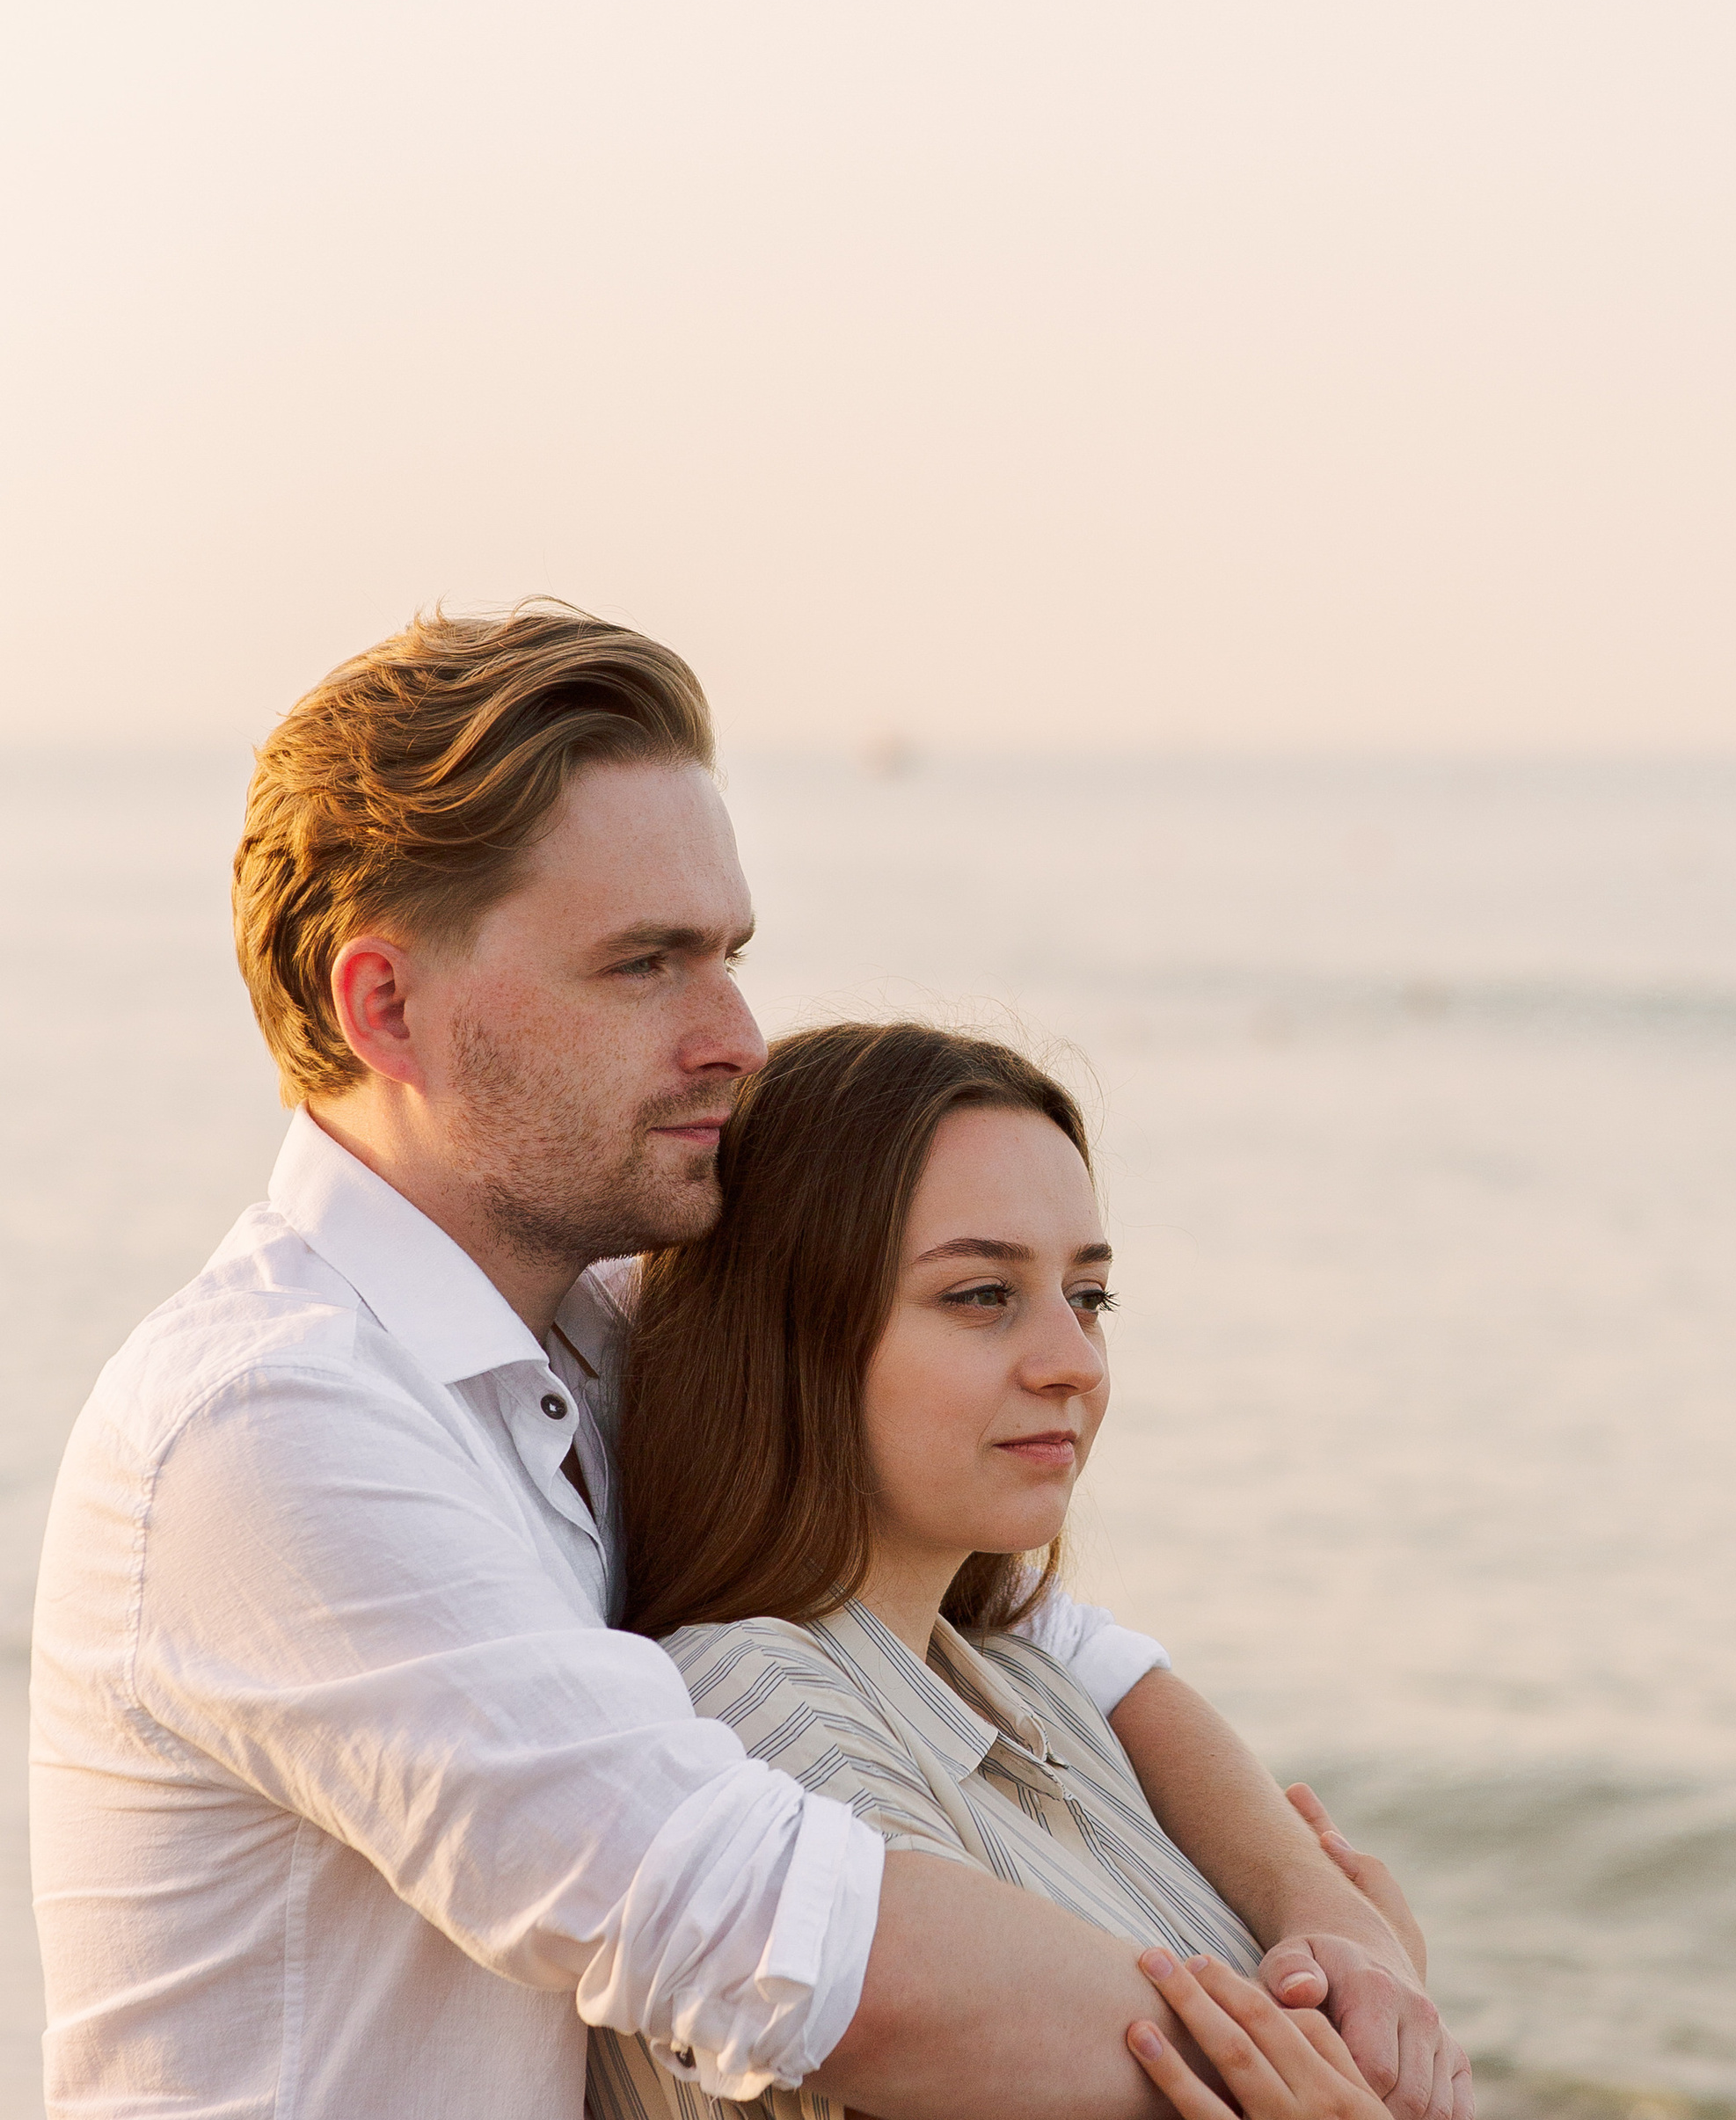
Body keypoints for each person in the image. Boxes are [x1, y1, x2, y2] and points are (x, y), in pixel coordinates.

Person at [29, 603, 1469, 2120]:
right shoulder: (271, 1421)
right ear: (387, 1006)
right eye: (647, 964)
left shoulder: (590, 1328)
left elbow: (1077, 1651)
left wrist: (1331, 1923)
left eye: (729, 955)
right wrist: (1299, 2072)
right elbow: (763, 1930)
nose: (738, 1036)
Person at [583, 1019, 1455, 2120]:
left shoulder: (1030, 1690)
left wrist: (1348, 1939)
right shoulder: (753, 1709)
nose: (1073, 1363)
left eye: (1088, 1297)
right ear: (785, 1329)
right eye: (981, 1295)